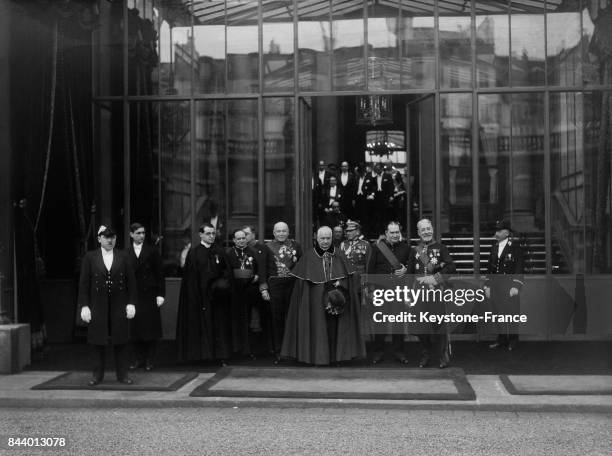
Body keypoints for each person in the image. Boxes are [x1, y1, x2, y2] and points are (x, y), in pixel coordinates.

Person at [281, 226, 365, 365]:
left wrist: (341, 282)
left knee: (335, 328)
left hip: (337, 298)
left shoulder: (339, 254)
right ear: (316, 238)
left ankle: (335, 358)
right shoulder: (308, 256)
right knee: (317, 327)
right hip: (315, 300)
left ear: (332, 238)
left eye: (328, 238)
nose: (325, 241)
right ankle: (317, 357)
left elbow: (351, 276)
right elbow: (301, 284)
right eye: (322, 238)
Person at [78, 225, 137, 385]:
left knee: (121, 340)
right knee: (97, 341)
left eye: (112, 237)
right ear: (99, 239)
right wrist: (84, 306)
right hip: (98, 305)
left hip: (119, 304)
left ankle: (123, 375)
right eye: (106, 237)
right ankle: (97, 376)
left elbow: (131, 282)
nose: (110, 240)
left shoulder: (123, 257)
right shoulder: (90, 257)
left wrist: (131, 303)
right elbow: (84, 284)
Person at [176, 223, 232, 365]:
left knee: (218, 326)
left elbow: (227, 272)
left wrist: (220, 285)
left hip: (217, 298)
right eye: (208, 233)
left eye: (213, 233)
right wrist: (197, 296)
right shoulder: (194, 253)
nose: (211, 236)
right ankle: (201, 357)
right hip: (200, 297)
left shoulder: (220, 251)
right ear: (200, 235)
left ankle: (220, 356)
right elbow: (190, 278)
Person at [408, 218, 456, 368]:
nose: (426, 231)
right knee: (420, 327)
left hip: (436, 293)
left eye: (428, 228)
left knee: (439, 326)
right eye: (423, 230)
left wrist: (435, 278)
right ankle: (425, 354)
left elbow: (451, 267)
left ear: (433, 229)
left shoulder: (441, 248)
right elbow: (409, 274)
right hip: (418, 294)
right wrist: (408, 295)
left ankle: (442, 356)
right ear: (418, 232)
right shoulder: (414, 250)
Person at [366, 222, 411, 364]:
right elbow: (370, 270)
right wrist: (371, 289)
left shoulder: (407, 247)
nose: (395, 235)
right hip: (380, 290)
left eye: (397, 232)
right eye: (392, 232)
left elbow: (412, 268)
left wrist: (406, 269)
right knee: (380, 323)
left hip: (398, 290)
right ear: (386, 233)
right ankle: (378, 352)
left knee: (398, 323)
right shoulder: (377, 248)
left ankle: (399, 352)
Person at [126, 223, 165, 371]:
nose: (141, 236)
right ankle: (137, 359)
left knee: (150, 329)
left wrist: (161, 294)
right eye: (138, 233)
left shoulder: (152, 251)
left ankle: (150, 360)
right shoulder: (126, 253)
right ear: (131, 234)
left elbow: (159, 274)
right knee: (134, 330)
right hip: (134, 296)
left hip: (149, 294)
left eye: (143, 233)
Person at [483, 219, 525, 351]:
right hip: (496, 286)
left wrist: (516, 286)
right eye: (496, 231)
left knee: (511, 314)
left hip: (509, 286)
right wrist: (487, 285)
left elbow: (519, 267)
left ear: (507, 233)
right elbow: (490, 268)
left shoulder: (515, 247)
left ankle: (513, 340)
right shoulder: (494, 247)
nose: (496, 233)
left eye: (499, 231)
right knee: (498, 314)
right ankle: (501, 339)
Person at [266, 222, 303, 362]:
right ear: (274, 233)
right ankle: (279, 351)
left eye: (284, 231)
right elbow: (263, 269)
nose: (281, 233)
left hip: (292, 284)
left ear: (288, 232)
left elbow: (302, 265)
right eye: (278, 231)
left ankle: (293, 351)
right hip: (275, 285)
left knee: (293, 318)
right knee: (277, 319)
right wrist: (263, 287)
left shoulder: (296, 246)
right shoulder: (267, 247)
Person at [226, 229, 260, 358]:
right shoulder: (228, 254)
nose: (241, 240)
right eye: (238, 239)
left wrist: (257, 276)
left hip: (250, 291)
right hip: (234, 292)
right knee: (235, 321)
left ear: (246, 239)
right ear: (234, 240)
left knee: (250, 321)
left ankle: (249, 350)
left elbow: (259, 269)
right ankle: (236, 349)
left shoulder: (254, 252)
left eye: (243, 238)